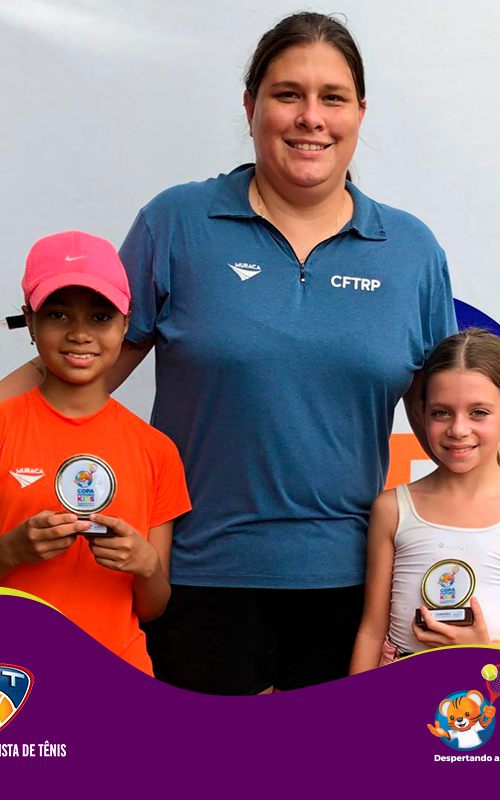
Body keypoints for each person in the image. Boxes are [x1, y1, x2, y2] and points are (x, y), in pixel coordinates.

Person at [0, 12, 456, 694]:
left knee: (328, 758)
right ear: (250, 106)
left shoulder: (412, 250)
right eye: (287, 94)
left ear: (360, 112)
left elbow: (452, 423)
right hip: (197, 575)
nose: (310, 117)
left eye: (332, 97)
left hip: (353, 583)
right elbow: (77, 363)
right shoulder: (176, 222)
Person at [0, 231, 191, 676]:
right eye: (58, 314)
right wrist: (10, 551)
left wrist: (145, 566)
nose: (80, 334)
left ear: (126, 324)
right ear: (30, 322)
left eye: (100, 316)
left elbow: (153, 607)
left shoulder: (156, 450)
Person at [349, 329, 500, 674]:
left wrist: (481, 651)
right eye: (441, 413)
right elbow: (372, 631)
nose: (458, 429)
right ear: (420, 414)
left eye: (478, 412)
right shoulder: (392, 508)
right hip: (399, 693)